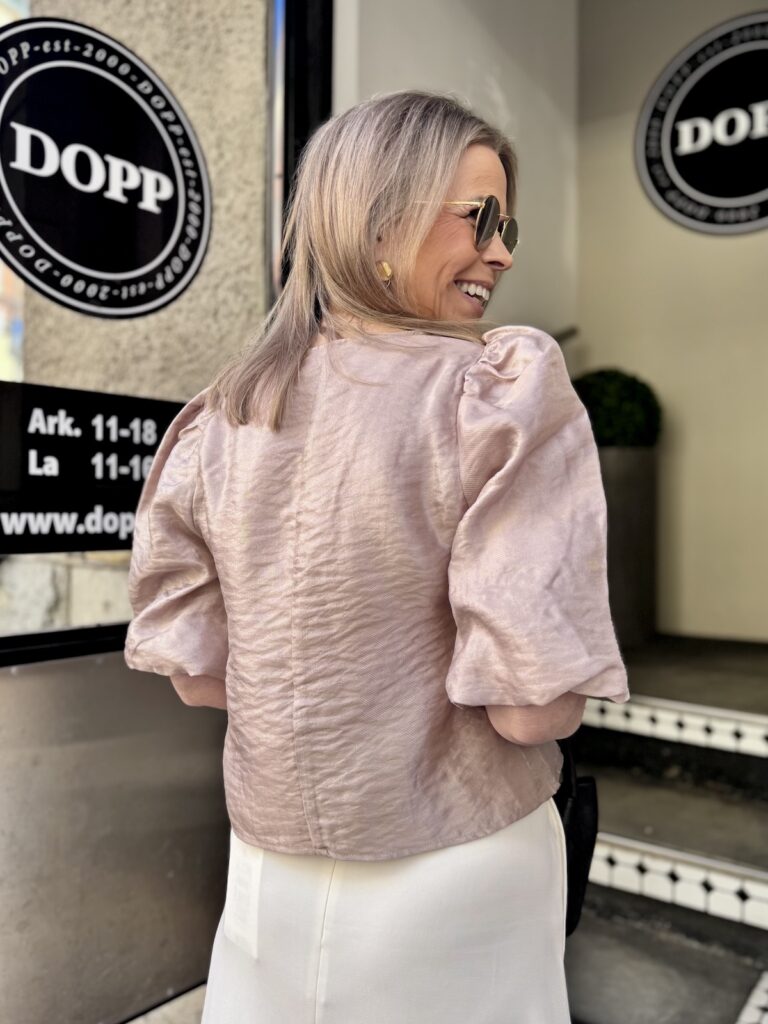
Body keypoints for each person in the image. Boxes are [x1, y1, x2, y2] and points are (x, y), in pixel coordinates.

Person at [124, 89, 630, 1024]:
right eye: (480, 217)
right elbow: (530, 709)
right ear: (381, 218)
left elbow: (197, 678)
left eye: (507, 226)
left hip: (268, 871)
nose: (503, 252)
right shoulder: (493, 394)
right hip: (461, 863)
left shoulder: (222, 419)